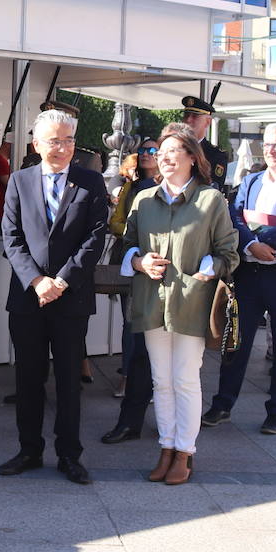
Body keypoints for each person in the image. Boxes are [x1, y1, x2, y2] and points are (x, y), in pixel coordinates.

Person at [0, 110, 109, 485]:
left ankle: (69, 454)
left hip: (71, 298)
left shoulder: (90, 182)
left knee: (67, 381)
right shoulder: (20, 180)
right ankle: (28, 450)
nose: (61, 148)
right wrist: (36, 281)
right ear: (36, 145)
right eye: (53, 141)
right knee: (28, 378)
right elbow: (11, 238)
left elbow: (95, 239)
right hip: (28, 298)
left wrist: (60, 282)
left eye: (68, 140)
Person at [121, 129, 239, 484]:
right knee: (161, 381)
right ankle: (166, 446)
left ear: (192, 157)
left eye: (174, 150)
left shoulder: (210, 200)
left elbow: (228, 254)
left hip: (191, 302)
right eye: (161, 150)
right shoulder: (143, 199)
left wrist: (208, 268)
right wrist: (139, 262)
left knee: (185, 379)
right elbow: (125, 246)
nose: (165, 156)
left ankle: (185, 451)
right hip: (152, 302)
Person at [202, 123, 276, 436]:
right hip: (250, 274)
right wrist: (251, 244)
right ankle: (223, 405)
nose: (271, 150)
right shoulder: (251, 180)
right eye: (267, 144)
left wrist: (264, 238)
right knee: (236, 343)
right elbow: (236, 216)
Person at [102, 139, 159, 442]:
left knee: (176, 365)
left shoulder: (204, 195)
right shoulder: (138, 190)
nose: (152, 156)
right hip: (141, 278)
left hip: (181, 290)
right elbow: (124, 230)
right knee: (138, 350)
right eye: (147, 151)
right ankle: (130, 422)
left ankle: (175, 432)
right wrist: (137, 259)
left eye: (158, 151)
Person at [181, 94, 228, 189]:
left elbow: (213, 187)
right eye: (186, 115)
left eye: (195, 116)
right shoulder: (174, 148)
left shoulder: (216, 155)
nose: (189, 120)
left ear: (208, 122)